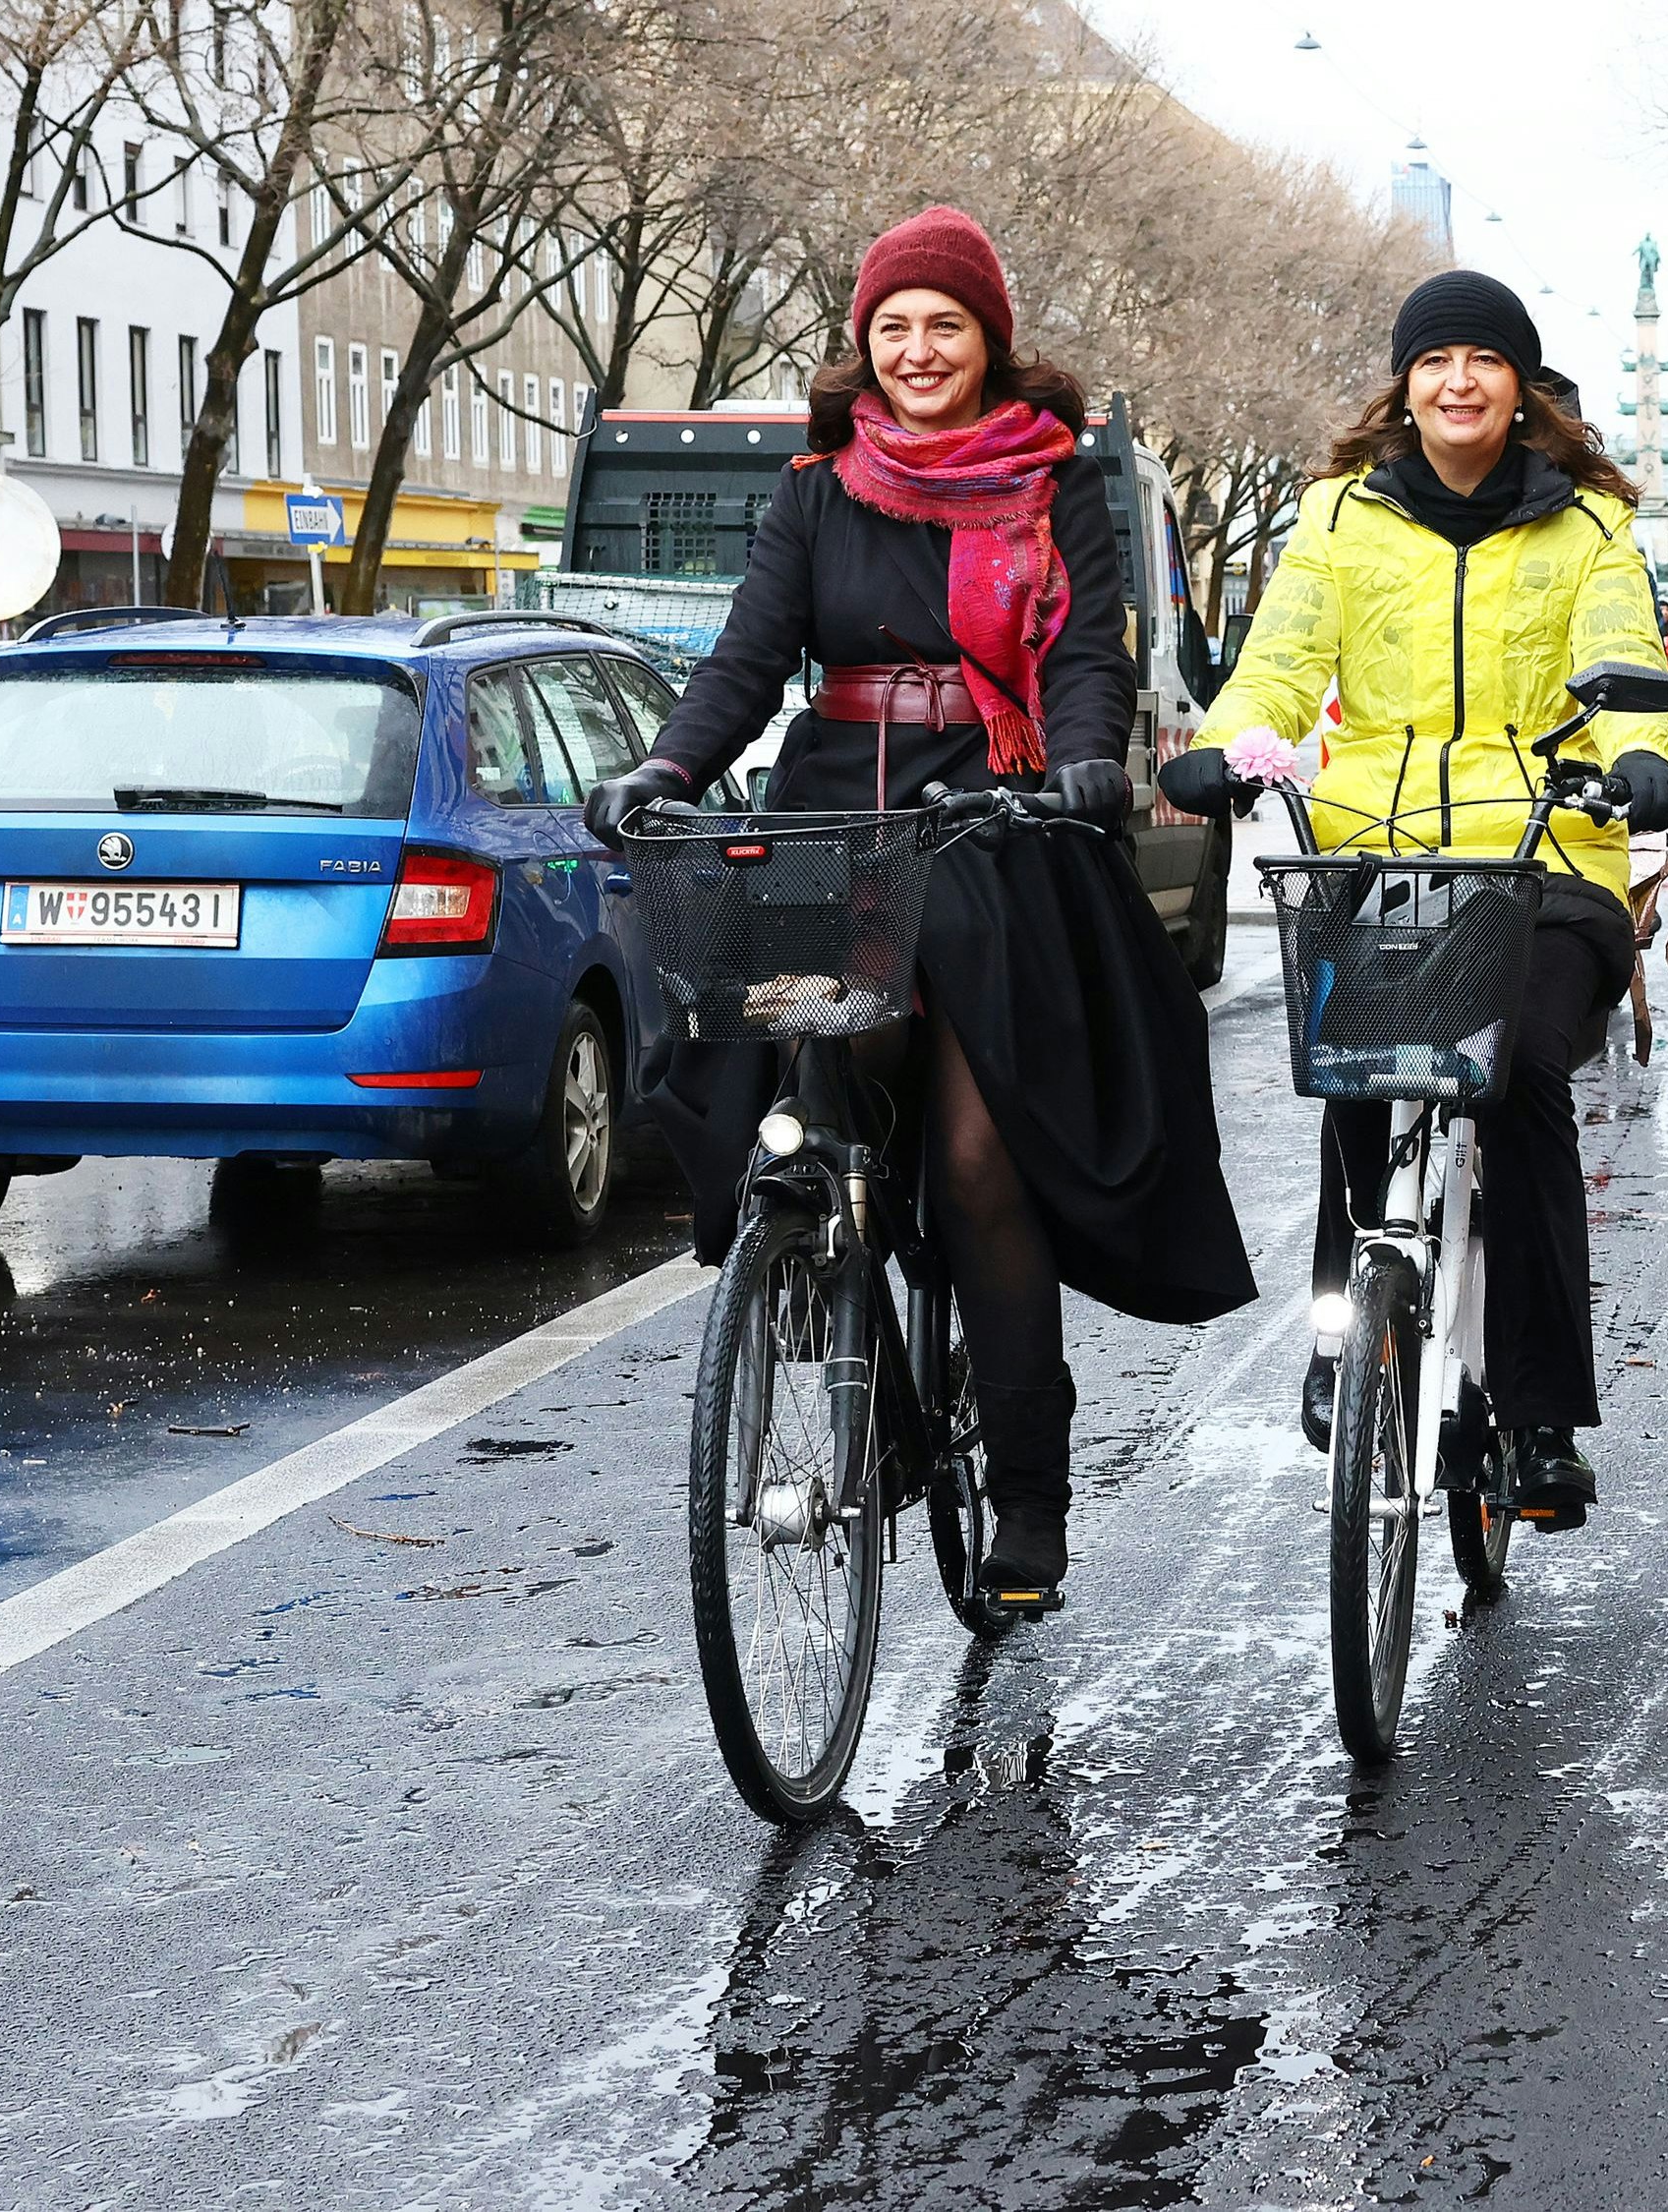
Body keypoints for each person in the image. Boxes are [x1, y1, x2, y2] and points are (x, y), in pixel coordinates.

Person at [584, 206, 1255, 1605]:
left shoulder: (1054, 478)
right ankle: (864, 1365)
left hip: (999, 824)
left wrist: (1082, 763)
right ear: (864, 347)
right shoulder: (818, 485)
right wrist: (662, 767)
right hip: (837, 824)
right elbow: (746, 658)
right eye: (893, 326)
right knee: (798, 1104)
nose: (917, 348)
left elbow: (1087, 646)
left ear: (990, 337)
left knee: (972, 1160)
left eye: (944, 323)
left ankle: (1027, 1500)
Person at [1195, 268, 1668, 1532]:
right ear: (1404, 385)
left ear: (1520, 384)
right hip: (1377, 849)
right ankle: (1339, 1334)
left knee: (1514, 1068)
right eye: (1434, 360)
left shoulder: (1587, 527)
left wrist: (1643, 765)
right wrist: (1227, 743)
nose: (1458, 380)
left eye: (1483, 359)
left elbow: (1629, 673)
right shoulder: (1336, 518)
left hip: (1546, 856)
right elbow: (1281, 661)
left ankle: (1537, 1417)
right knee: (1357, 1058)